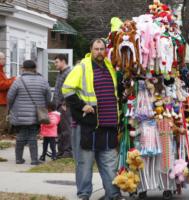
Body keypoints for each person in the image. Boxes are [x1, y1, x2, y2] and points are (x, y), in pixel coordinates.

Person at [62, 38, 124, 200]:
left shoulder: (110, 68)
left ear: (105, 50)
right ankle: (84, 195)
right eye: (96, 49)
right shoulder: (81, 67)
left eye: (102, 49)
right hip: (87, 125)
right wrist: (82, 105)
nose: (99, 52)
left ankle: (113, 195)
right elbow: (67, 90)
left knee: (110, 164)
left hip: (108, 125)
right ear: (91, 49)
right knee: (84, 164)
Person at [7, 60, 51, 165]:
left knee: (20, 136)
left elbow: (10, 97)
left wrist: (12, 108)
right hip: (37, 114)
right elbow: (48, 97)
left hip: (20, 114)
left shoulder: (18, 81)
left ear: (23, 68)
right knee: (32, 136)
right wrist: (43, 106)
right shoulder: (43, 81)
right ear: (35, 68)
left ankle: (18, 159)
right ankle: (34, 160)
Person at [53, 54, 72, 158]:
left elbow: (70, 89)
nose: (55, 64)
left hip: (65, 106)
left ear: (63, 61)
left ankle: (68, 152)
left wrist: (65, 103)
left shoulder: (69, 72)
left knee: (66, 129)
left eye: (56, 62)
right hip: (58, 106)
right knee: (60, 130)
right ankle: (61, 151)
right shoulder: (60, 73)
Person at [0, 52, 15, 134]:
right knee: (2, 121)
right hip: (1, 101)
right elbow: (1, 85)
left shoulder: (1, 70)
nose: (5, 60)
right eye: (3, 59)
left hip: (2, 100)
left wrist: (10, 79)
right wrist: (13, 80)